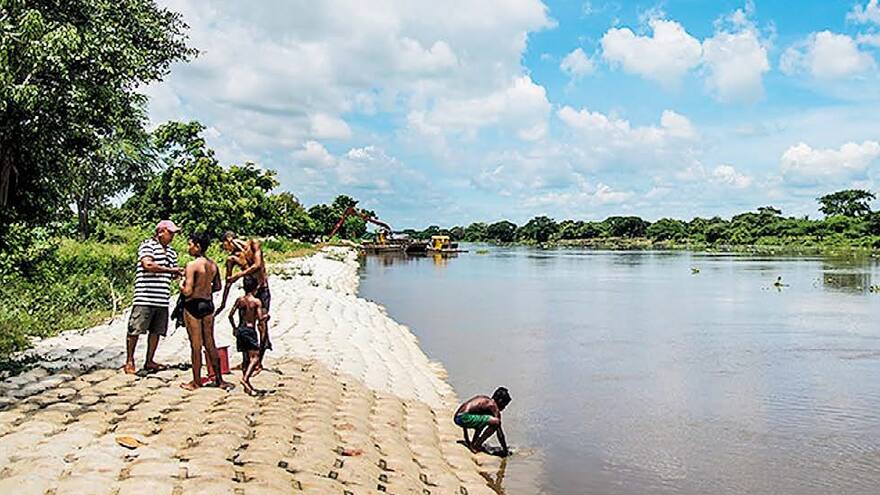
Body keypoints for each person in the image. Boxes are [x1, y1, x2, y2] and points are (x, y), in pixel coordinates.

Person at [124, 220, 184, 374]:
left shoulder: (171, 251)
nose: (172, 236)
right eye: (170, 233)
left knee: (156, 331)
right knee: (135, 329)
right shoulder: (147, 246)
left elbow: (172, 273)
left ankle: (149, 360)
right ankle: (130, 360)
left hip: (162, 298)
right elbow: (148, 265)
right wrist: (171, 271)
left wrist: (175, 273)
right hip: (145, 296)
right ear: (160, 232)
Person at [179, 232, 230, 391]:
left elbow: (187, 291)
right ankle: (219, 379)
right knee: (210, 343)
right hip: (208, 305)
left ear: (198, 246)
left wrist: (179, 284)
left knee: (196, 345)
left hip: (193, 305)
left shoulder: (192, 265)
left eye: (190, 244)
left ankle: (196, 381)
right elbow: (218, 287)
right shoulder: (212, 265)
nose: (189, 247)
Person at [216, 231, 272, 370]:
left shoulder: (253, 244)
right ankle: (246, 361)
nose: (226, 249)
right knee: (244, 326)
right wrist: (223, 303)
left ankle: (259, 361)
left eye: (225, 245)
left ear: (229, 240)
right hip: (248, 293)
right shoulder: (232, 259)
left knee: (261, 324)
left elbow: (258, 265)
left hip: (262, 290)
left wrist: (239, 275)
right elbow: (228, 282)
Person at [228, 276, 268, 395]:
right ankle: (245, 379)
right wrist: (266, 317)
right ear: (255, 288)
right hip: (250, 330)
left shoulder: (240, 300)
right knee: (255, 357)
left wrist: (234, 328)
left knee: (245, 358)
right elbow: (260, 318)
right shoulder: (256, 302)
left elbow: (230, 315)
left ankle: (248, 385)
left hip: (240, 329)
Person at [454, 387, 512, 456]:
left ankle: (474, 443)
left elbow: (469, 413)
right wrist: (505, 451)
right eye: (504, 405)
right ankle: (476, 445)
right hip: (464, 417)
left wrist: (466, 439)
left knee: (484, 421)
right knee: (496, 422)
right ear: (500, 401)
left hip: (458, 417)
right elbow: (500, 433)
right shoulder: (493, 406)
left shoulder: (484, 401)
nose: (504, 408)